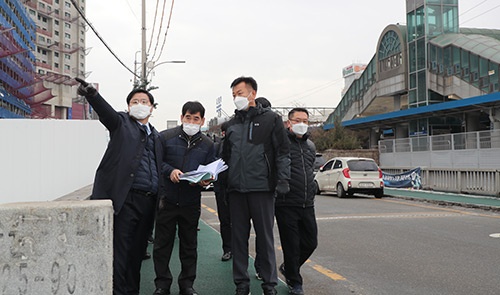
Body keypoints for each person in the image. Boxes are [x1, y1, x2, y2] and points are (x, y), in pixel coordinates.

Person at [76, 78, 162, 295]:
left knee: (137, 253)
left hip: (148, 202)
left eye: (144, 101)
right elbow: (106, 114)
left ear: (151, 108)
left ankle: (132, 291)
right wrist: (92, 95)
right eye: (135, 101)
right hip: (125, 200)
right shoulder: (121, 123)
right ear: (128, 107)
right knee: (120, 254)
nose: (140, 104)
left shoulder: (157, 137)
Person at [221, 76, 291, 295]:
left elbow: (282, 152)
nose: (236, 98)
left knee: (265, 239)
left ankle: (269, 285)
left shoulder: (271, 119)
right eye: (233, 95)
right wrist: (223, 185)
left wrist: (282, 180)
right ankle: (241, 285)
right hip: (237, 191)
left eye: (239, 93)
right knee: (238, 240)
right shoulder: (231, 124)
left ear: (252, 93)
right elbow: (226, 158)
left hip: (262, 189)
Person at [152, 101, 215, 295]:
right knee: (162, 245)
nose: (191, 121)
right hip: (167, 199)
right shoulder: (165, 137)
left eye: (196, 118)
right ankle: (162, 285)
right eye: (188, 117)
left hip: (191, 201)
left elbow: (211, 170)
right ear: (181, 117)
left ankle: (187, 285)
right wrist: (170, 170)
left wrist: (206, 181)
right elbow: (156, 162)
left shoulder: (208, 144)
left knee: (189, 246)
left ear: (202, 120)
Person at [275, 108, 318, 295]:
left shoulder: (310, 146)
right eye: (298, 120)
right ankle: (295, 282)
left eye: (305, 121)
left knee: (310, 242)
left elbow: (309, 169)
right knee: (291, 245)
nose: (302, 124)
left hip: (307, 203)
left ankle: (288, 268)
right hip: (286, 203)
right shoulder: (280, 143)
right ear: (288, 123)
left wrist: (313, 187)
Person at [253, 96, 272, 280]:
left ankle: (264, 270)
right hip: (251, 190)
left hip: (269, 191)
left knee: (265, 235)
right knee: (262, 233)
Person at [213, 122, 232, 262]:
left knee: (234, 222)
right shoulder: (217, 146)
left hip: (234, 189)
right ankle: (229, 249)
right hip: (222, 189)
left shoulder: (239, 146)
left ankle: (233, 249)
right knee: (225, 221)